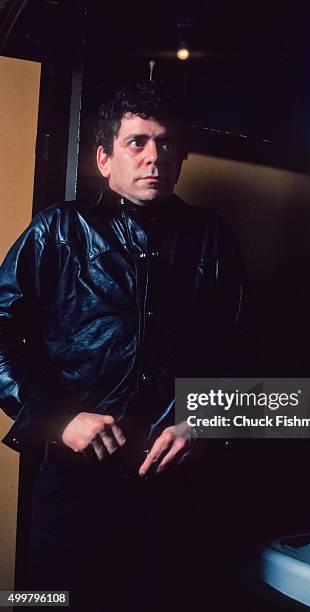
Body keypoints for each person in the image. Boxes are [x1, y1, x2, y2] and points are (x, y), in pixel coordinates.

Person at [0, 82, 247, 611]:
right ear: (104, 159)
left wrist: (202, 420)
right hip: (72, 483)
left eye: (165, 144)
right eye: (136, 142)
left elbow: (241, 350)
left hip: (175, 487)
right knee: (44, 601)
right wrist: (56, 419)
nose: (154, 155)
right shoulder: (57, 230)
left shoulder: (212, 237)